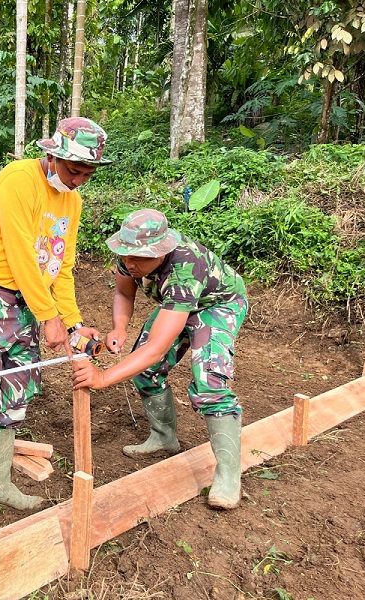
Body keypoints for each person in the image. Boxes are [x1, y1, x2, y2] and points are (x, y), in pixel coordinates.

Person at [0, 117, 112, 543]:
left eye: (86, 173)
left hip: (32, 300)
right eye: (72, 169)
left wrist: (73, 321)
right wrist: (48, 315)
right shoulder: (18, 179)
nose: (78, 180)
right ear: (52, 155)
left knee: (15, 394)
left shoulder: (71, 202)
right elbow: (22, 253)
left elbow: (61, 264)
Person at [72, 208, 247, 510]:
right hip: (175, 305)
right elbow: (124, 294)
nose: (130, 262)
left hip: (217, 304)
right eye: (126, 255)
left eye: (139, 257)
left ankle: (229, 475)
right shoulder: (129, 257)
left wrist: (104, 378)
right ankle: (164, 437)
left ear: (162, 250)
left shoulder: (183, 267)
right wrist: (119, 327)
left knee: (209, 382)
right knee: (147, 371)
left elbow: (156, 347)